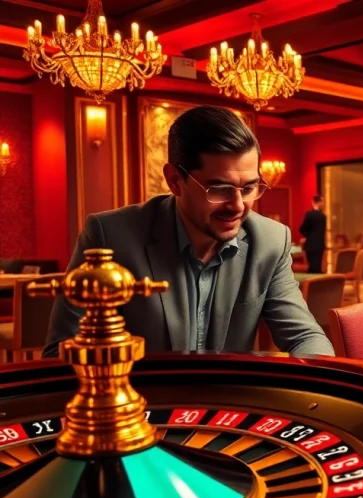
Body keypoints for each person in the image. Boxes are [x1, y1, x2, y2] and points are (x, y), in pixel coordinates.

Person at [44, 105, 334, 358]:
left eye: (248, 188)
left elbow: (305, 337)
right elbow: (60, 351)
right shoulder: (109, 236)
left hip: (229, 402)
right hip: (138, 402)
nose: (238, 206)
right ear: (174, 180)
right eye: (219, 189)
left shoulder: (271, 241)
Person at [299, 195, 327, 273]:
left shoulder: (309, 215)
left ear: (313, 202)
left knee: (311, 266)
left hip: (310, 244)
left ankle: (311, 280)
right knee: (318, 266)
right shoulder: (323, 216)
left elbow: (302, 229)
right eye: (322, 202)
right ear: (319, 202)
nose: (323, 203)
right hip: (320, 245)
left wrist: (306, 236)